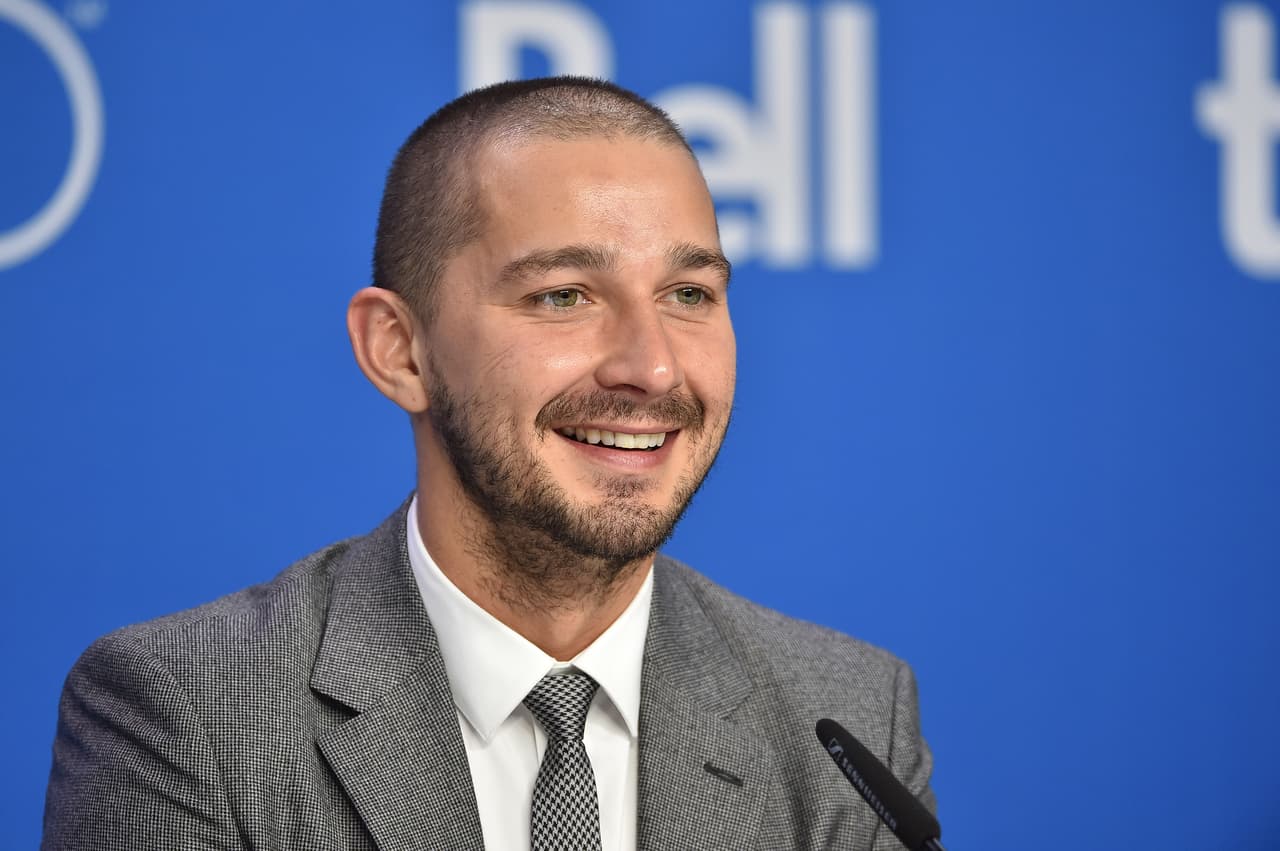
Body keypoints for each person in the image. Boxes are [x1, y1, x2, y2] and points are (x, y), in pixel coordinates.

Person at [42, 77, 934, 851]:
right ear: (400, 351)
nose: (652, 366)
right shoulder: (190, 710)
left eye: (689, 294)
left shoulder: (848, 715)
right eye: (563, 295)